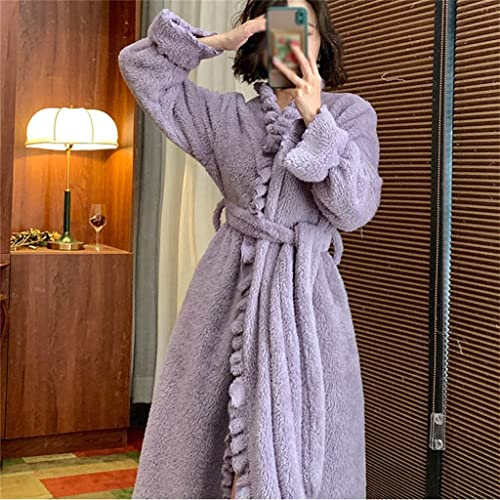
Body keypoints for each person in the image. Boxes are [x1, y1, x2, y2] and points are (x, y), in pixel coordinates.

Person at [118, 0, 383, 498]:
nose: (295, 39)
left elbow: (354, 208)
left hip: (306, 303)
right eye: (280, 26)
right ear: (258, 39)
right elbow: (142, 67)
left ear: (322, 41)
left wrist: (316, 120)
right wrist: (215, 43)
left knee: (306, 444)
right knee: (209, 434)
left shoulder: (350, 114)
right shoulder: (225, 117)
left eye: (305, 27)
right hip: (227, 294)